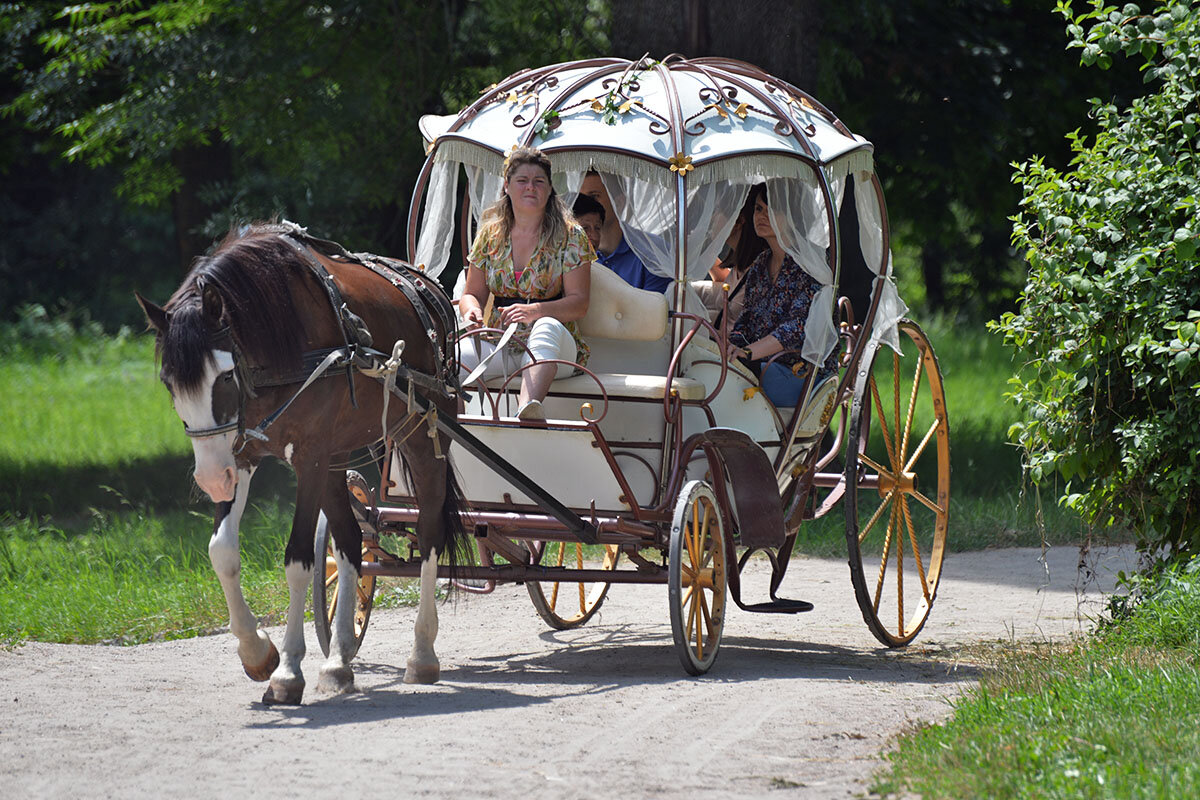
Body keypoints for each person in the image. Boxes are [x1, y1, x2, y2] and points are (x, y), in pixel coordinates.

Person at [459, 146, 594, 421]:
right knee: (451, 356)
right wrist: (470, 311)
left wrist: (535, 311)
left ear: (549, 189)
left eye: (538, 181)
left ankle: (528, 411)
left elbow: (580, 303)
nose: (530, 187)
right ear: (507, 186)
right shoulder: (490, 235)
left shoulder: (571, 235)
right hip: (502, 340)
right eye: (522, 181)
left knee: (546, 326)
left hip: (555, 346)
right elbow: (471, 293)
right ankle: (457, 430)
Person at [727, 183, 839, 408]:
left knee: (733, 380)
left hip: (800, 373)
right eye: (759, 209)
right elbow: (746, 319)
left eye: (773, 210)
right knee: (714, 368)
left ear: (793, 216)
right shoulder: (760, 264)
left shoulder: (811, 266)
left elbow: (797, 328)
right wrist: (731, 348)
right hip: (761, 364)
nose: (762, 216)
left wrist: (748, 353)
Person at [579, 170, 672, 294]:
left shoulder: (652, 254)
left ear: (619, 202)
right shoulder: (574, 252)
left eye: (593, 197)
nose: (584, 206)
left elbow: (655, 310)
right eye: (580, 198)